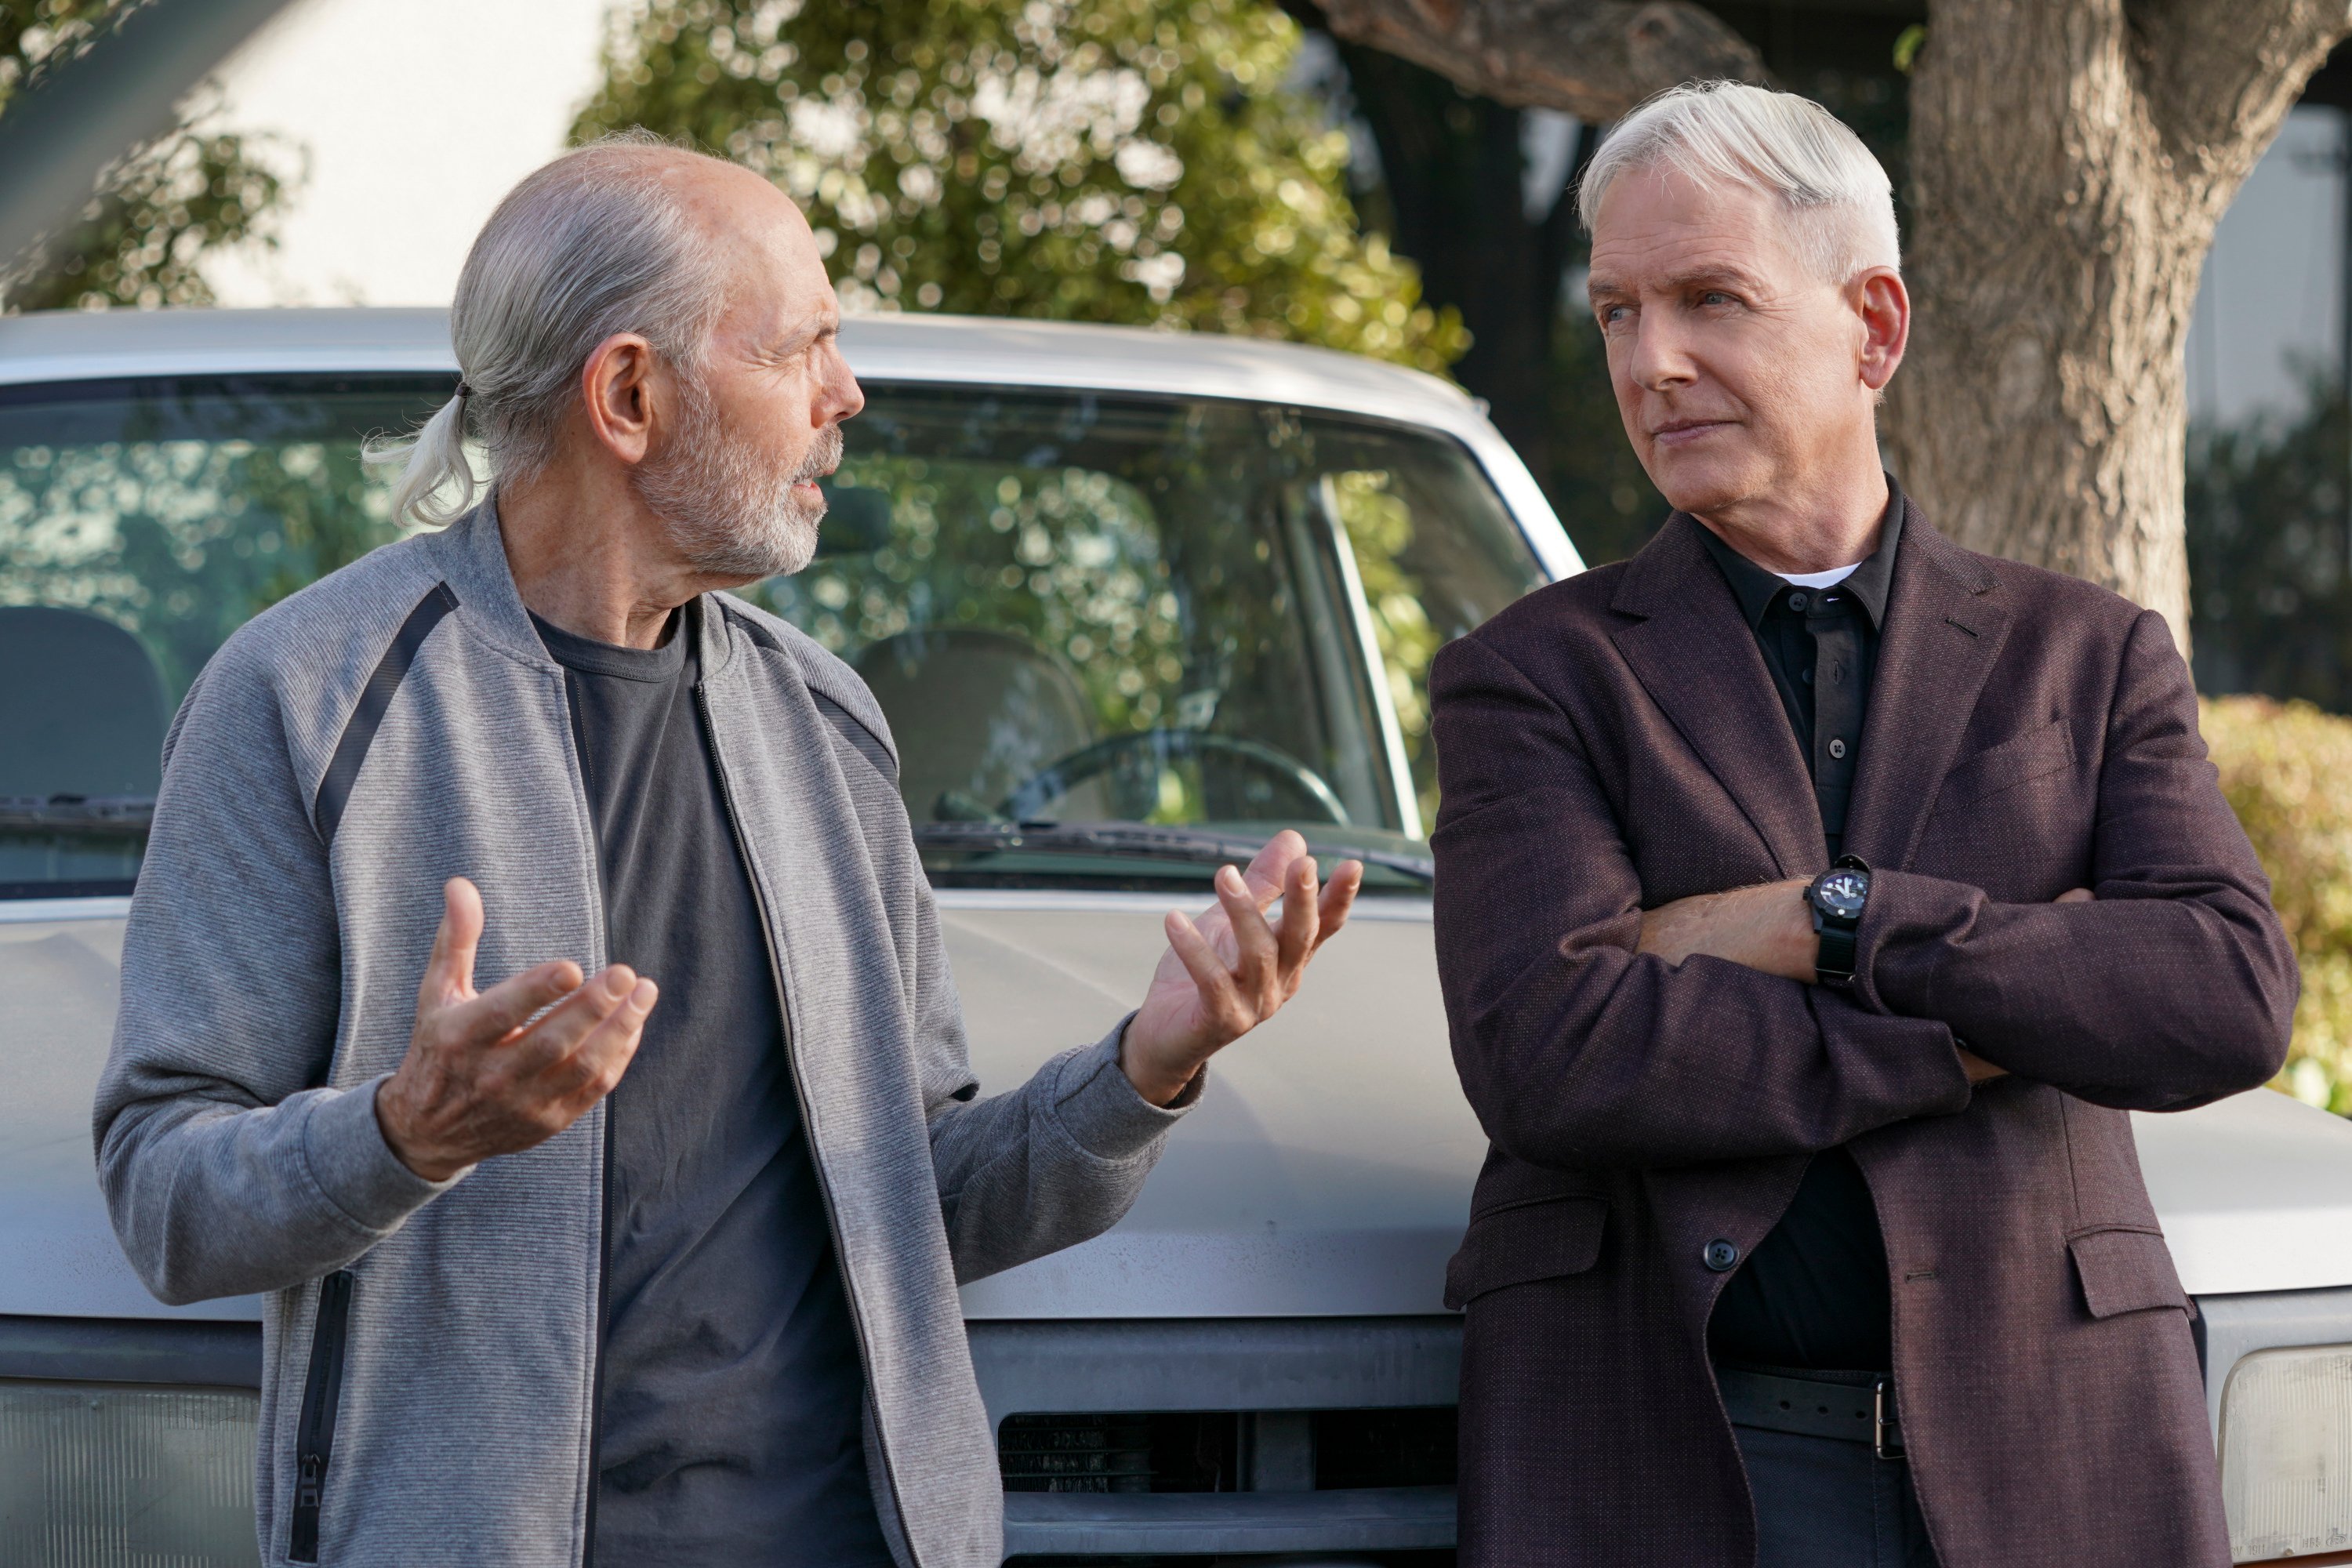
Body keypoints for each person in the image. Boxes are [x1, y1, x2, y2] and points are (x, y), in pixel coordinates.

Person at [93, 132, 1362, 1568]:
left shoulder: (827, 725)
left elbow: (923, 1197)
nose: (847, 394)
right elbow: (165, 1196)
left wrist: (1150, 1065)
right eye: (802, 347)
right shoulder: (303, 700)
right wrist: (405, 1135)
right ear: (629, 396)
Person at [1428, 82, 2295, 1568]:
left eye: (1711, 299)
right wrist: (2000, 1014)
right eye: (1618, 313)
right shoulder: (1531, 675)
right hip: (1685, 1458)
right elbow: (1555, 1055)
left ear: (1873, 327)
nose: (1656, 361)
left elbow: (2220, 995)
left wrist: (1826, 919)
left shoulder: (2086, 655)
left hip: (2056, 1453)